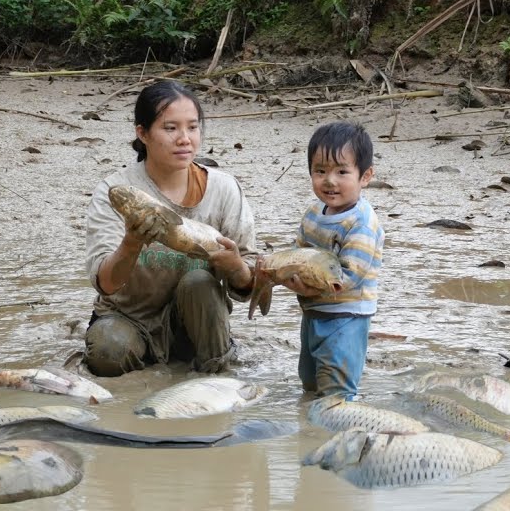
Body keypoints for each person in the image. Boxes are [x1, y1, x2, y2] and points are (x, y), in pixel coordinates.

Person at [82, 79, 257, 377]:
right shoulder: (116, 190)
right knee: (107, 352)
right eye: (170, 128)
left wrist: (236, 267)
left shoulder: (224, 189)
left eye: (192, 127)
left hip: (196, 323)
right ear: (143, 133)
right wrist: (131, 242)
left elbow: (248, 285)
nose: (184, 138)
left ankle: (215, 369)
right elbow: (106, 283)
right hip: (128, 318)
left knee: (200, 282)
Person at [277, 120, 384, 399]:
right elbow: (297, 253)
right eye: (320, 171)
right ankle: (310, 425)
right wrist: (286, 275)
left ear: (365, 176)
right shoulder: (314, 213)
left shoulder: (361, 222)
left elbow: (348, 276)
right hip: (313, 311)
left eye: (342, 171)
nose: (330, 180)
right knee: (310, 378)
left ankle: (339, 428)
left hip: (346, 315)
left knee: (338, 387)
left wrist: (307, 287)